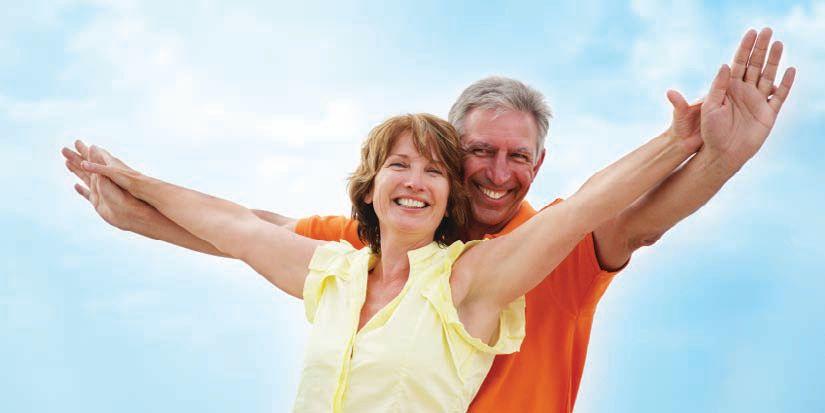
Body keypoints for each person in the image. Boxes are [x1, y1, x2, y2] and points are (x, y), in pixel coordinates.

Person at [63, 28, 795, 412]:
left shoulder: (547, 245)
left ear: (538, 164)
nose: (499, 173)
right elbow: (250, 230)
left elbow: (628, 214)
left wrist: (715, 154)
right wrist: (135, 211)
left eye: (518, 157)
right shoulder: (374, 249)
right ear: (449, 150)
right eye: (479, 152)